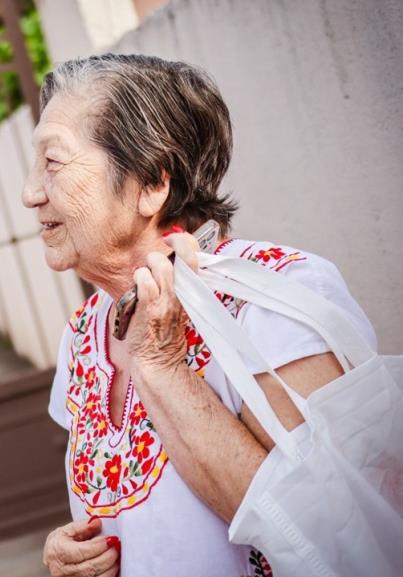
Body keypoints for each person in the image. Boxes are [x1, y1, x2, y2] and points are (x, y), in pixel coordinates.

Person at [22, 54, 377, 577]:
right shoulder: (83, 335)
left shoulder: (274, 300)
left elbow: (330, 535)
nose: (30, 193)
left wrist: (161, 365)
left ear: (150, 185)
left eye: (53, 163)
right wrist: (64, 553)